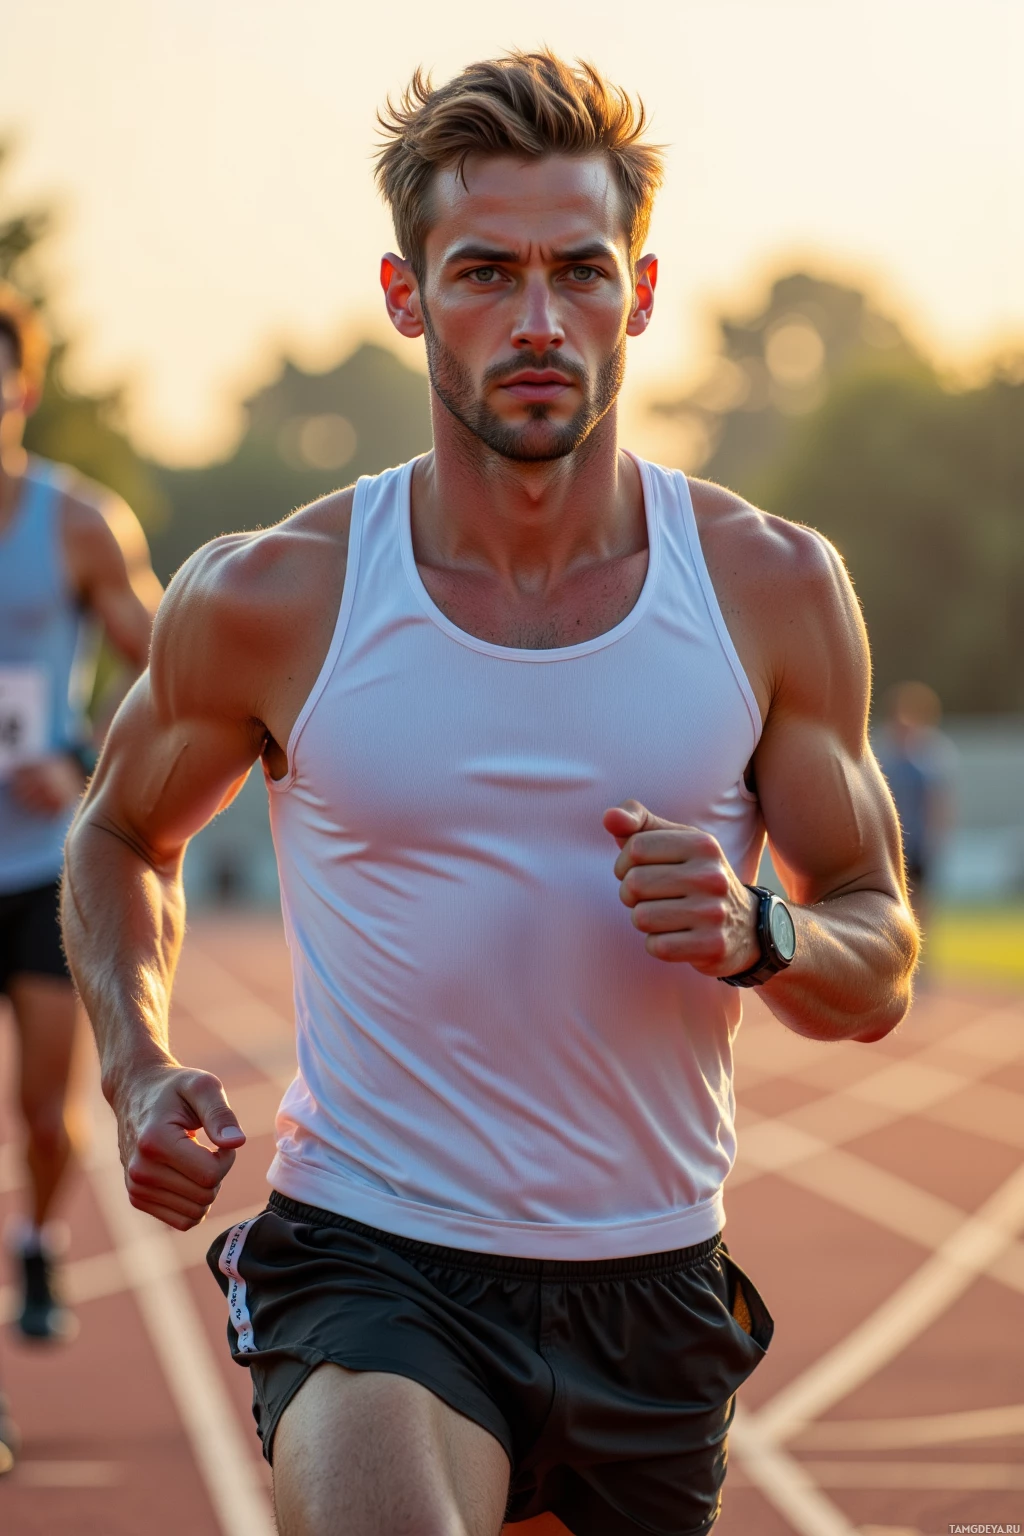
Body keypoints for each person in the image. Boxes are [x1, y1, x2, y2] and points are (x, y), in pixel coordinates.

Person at [62, 53, 918, 1536]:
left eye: (580, 272)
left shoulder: (772, 588)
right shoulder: (275, 597)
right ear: (406, 296)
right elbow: (122, 833)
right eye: (484, 273)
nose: (538, 322)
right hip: (374, 1258)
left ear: (639, 295)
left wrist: (760, 932)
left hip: (652, 1284)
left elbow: (878, 953)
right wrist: (137, 1062)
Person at [0, 281, 160, 1353]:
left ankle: (39, 1236)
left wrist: (78, 753)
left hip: (34, 869)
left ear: (24, 382)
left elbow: (167, 666)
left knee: (45, 1116)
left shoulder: (80, 522)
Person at [875, 680, 955, 936]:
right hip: (893, 843)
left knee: (921, 906)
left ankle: (922, 964)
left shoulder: (929, 759)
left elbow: (937, 801)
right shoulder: (885, 757)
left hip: (918, 844)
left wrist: (936, 839)